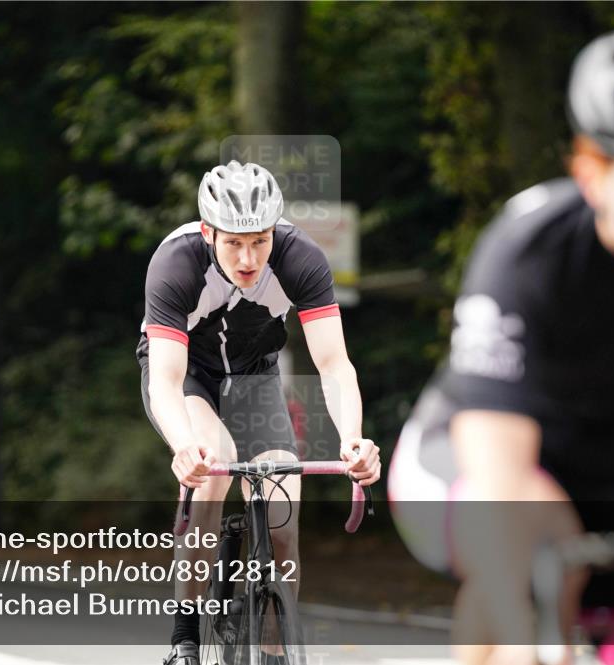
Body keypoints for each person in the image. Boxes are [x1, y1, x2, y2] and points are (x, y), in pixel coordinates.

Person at [387, 24, 614, 665]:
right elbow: (498, 463)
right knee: (527, 563)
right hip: (470, 463)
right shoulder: (534, 252)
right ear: (592, 173)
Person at [138, 160, 381, 665]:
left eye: (261, 240)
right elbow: (163, 376)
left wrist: (353, 440)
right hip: (189, 378)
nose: (249, 257)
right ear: (208, 232)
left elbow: (334, 364)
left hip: (255, 378)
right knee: (214, 465)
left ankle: (273, 651)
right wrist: (185, 447)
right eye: (233, 243)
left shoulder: (301, 258)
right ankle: (184, 637)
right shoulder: (176, 263)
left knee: (283, 518)